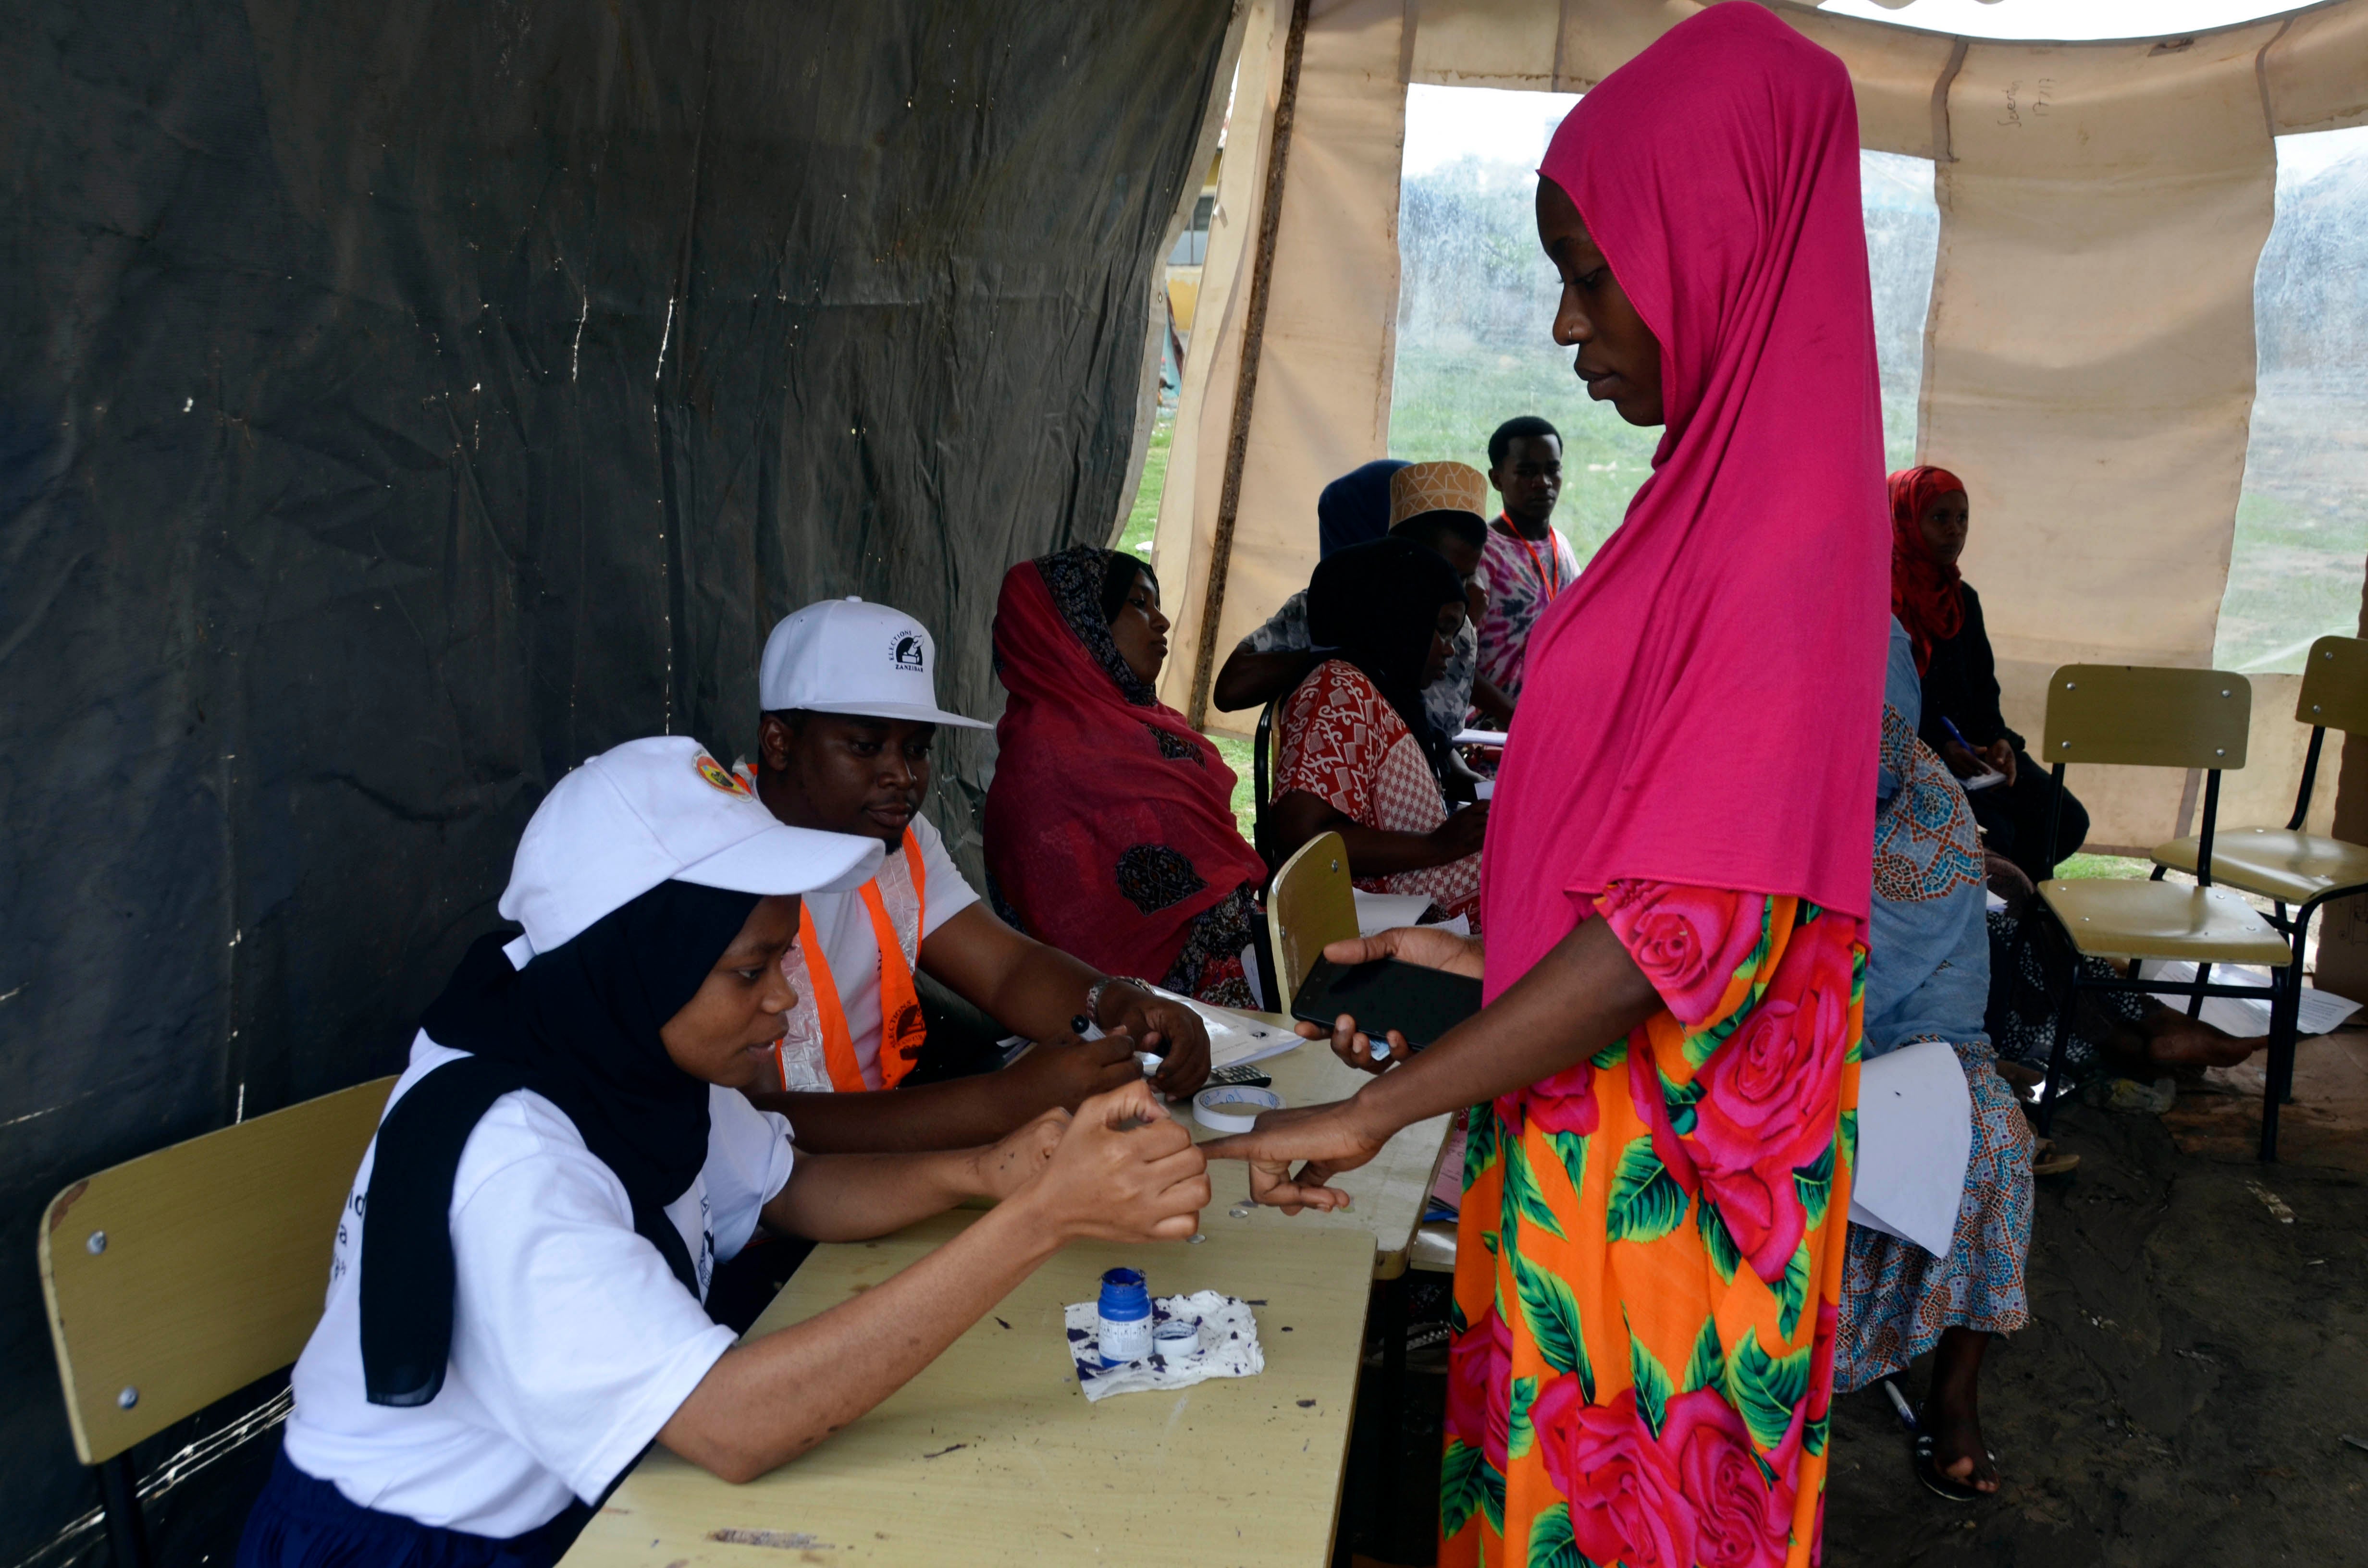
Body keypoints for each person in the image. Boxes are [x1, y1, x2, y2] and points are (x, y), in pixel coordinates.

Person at [1205, 12, 1890, 1568]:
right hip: (1585, 1159)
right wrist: (1476, 949)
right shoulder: (1702, 506)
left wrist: (1370, 1114)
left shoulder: (1775, 547)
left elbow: (1668, 936)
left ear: (1713, 238)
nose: (1567, 326)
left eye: (1588, 272)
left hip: (1662, 1225)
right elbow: (1665, 876)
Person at [238, 737, 1209, 1566]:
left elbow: (794, 1186)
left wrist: (989, 1172)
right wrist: (1039, 1221)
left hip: (579, 1502)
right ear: (636, 963)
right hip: (423, 1548)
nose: (782, 998)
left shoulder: (613, 1051)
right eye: (750, 972)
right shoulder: (515, 1159)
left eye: (781, 958)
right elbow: (733, 1428)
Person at [739, 598, 1213, 1155]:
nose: (901, 776)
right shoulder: (717, 867)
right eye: (866, 747)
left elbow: (1007, 969)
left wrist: (1116, 1004)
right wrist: (1001, 1103)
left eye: (916, 749)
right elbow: (758, 1126)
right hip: (773, 1204)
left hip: (867, 1165)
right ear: (779, 743)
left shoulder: (894, 839)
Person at [1838, 620, 2033, 1501]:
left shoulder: (1924, 815)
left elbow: (1864, 988)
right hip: (1756, 1029)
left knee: (1995, 1142)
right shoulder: (1751, 785)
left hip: (1910, 1045)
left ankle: (1954, 1396)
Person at [984, 547, 1268, 1008]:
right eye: (1139, 604)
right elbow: (1083, 931)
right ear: (1079, 627)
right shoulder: (1046, 761)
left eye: (1156, 604)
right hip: (1138, 1014)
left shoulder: (1150, 726)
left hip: (1242, 977)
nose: (1162, 622)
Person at [1267, 536, 1487, 927]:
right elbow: (1300, 836)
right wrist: (1436, 846)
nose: (1450, 649)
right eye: (1442, 628)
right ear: (1400, 616)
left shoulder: (1392, 694)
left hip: (1421, 905)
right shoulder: (1339, 689)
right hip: (1379, 921)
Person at [1213, 460, 1512, 741]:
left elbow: (1435, 742)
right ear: (1396, 554)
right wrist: (1341, 654)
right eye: (1443, 571)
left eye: (1465, 578)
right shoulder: (1325, 606)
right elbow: (1230, 690)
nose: (1456, 590)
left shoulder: (1459, 636)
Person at [1891, 465, 2090, 882]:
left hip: (1973, 757)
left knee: (2065, 818)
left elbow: (1983, 695)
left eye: (1962, 518)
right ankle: (2004, 921)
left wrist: (2000, 743)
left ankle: (2018, 920)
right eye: (1940, 518)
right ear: (1903, 520)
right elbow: (1882, 705)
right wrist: (1941, 748)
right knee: (1998, 833)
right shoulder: (1882, 600)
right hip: (1913, 760)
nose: (1955, 532)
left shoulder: (1963, 601)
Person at [1474, 416, 1579, 711]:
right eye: (1527, 472)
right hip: (1491, 732)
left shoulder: (1562, 546)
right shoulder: (1483, 552)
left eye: (1552, 470)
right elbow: (1459, 662)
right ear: (1497, 479)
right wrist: (1514, 720)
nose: (1543, 483)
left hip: (1551, 718)